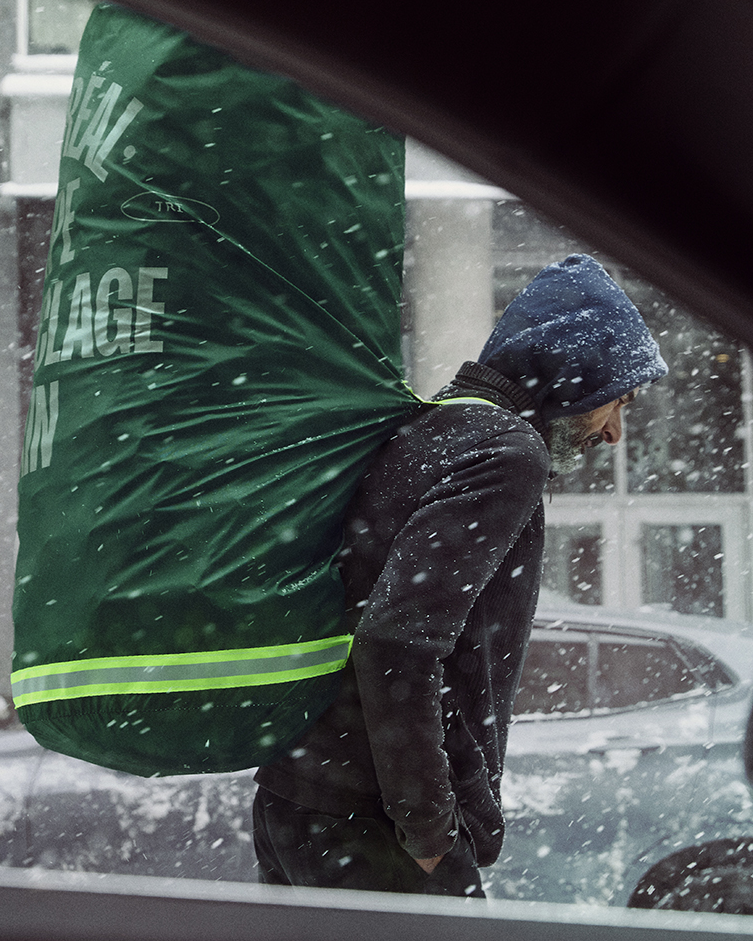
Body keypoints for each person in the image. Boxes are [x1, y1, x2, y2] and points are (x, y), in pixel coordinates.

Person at [252, 252, 668, 897]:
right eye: (617, 401)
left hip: (299, 796)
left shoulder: (426, 428)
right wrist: (428, 831)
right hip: (373, 824)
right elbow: (397, 640)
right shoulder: (505, 452)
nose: (614, 431)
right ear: (571, 377)